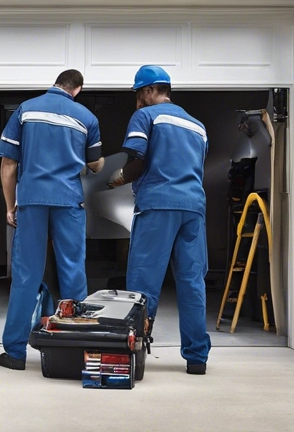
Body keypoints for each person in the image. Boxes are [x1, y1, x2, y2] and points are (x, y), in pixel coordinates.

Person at [0, 69, 103, 370]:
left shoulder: (26, 110)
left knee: (27, 275)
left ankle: (15, 354)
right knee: (73, 274)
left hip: (32, 199)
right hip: (68, 200)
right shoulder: (86, 118)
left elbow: (7, 164)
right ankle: (77, 352)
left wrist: (10, 205)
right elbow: (95, 164)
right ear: (77, 89)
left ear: (56, 83)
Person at [109, 65, 211, 375]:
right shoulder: (198, 126)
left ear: (151, 90)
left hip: (158, 205)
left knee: (144, 283)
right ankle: (196, 359)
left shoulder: (146, 117)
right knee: (192, 283)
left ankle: (135, 352)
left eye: (140, 93)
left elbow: (138, 160)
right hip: (193, 207)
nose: (138, 100)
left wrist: (118, 178)